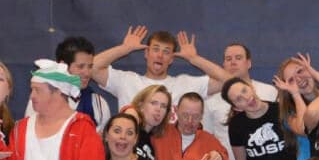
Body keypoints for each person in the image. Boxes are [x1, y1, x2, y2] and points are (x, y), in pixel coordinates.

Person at [205, 42, 277, 160]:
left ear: (249, 63)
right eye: (228, 59)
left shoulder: (269, 91)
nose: (233, 62)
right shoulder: (211, 101)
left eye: (238, 58)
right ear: (223, 65)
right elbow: (206, 139)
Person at [91, 26, 228, 110]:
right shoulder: (127, 81)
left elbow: (228, 82)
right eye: (155, 49)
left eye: (166, 52)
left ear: (172, 59)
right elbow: (92, 68)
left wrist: (194, 59)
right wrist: (125, 48)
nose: (160, 55)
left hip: (171, 154)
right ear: (146, 53)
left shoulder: (185, 84)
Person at [152, 92, 232, 160]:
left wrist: (221, 159)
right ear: (176, 111)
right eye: (185, 115)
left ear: (202, 116)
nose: (190, 121)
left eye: (195, 116)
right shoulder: (159, 133)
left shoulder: (210, 141)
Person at [121, 84, 172, 160]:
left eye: (163, 106)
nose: (158, 109)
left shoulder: (155, 142)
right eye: (153, 103)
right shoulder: (130, 127)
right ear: (141, 105)